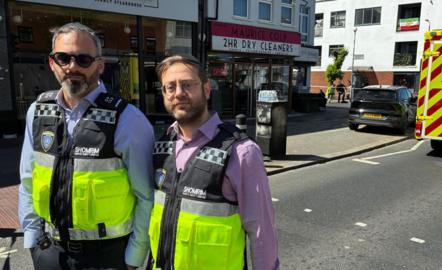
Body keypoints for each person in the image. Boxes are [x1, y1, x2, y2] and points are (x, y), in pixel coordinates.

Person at [18, 22, 154, 269]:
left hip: (107, 256)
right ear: (52, 63)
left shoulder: (128, 120)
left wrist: (134, 259)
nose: (72, 67)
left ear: (100, 65)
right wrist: (32, 241)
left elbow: (146, 197)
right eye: (63, 58)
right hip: (50, 252)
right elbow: (28, 180)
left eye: (83, 59)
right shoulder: (37, 112)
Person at [149, 54, 279, 270]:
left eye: (187, 84)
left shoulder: (242, 152)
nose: (178, 93)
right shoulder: (162, 145)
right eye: (170, 87)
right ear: (164, 94)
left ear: (206, 90)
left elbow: (261, 232)